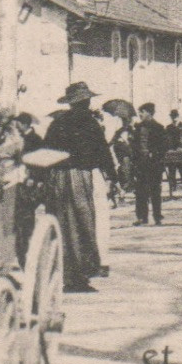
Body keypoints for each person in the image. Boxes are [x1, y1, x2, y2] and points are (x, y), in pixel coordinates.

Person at [42, 82, 116, 292]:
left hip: (56, 178)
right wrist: (113, 176)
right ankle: (80, 276)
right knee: (83, 223)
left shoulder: (57, 123)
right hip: (79, 176)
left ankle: (63, 273)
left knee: (62, 225)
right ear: (85, 101)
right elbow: (102, 151)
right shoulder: (90, 123)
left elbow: (46, 149)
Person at [131, 102, 167, 226]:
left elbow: (164, 146)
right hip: (140, 164)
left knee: (155, 191)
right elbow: (134, 146)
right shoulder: (137, 127)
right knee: (140, 191)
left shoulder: (159, 127)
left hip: (154, 164)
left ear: (149, 113)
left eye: (142, 112)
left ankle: (157, 217)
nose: (139, 114)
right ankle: (141, 217)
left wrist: (155, 154)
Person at [163, 109, 182, 196]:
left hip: (181, 152)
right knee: (171, 170)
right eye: (172, 117)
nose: (174, 119)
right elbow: (166, 140)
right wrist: (168, 149)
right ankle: (172, 188)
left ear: (179, 117)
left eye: (176, 117)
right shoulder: (168, 128)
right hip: (172, 152)